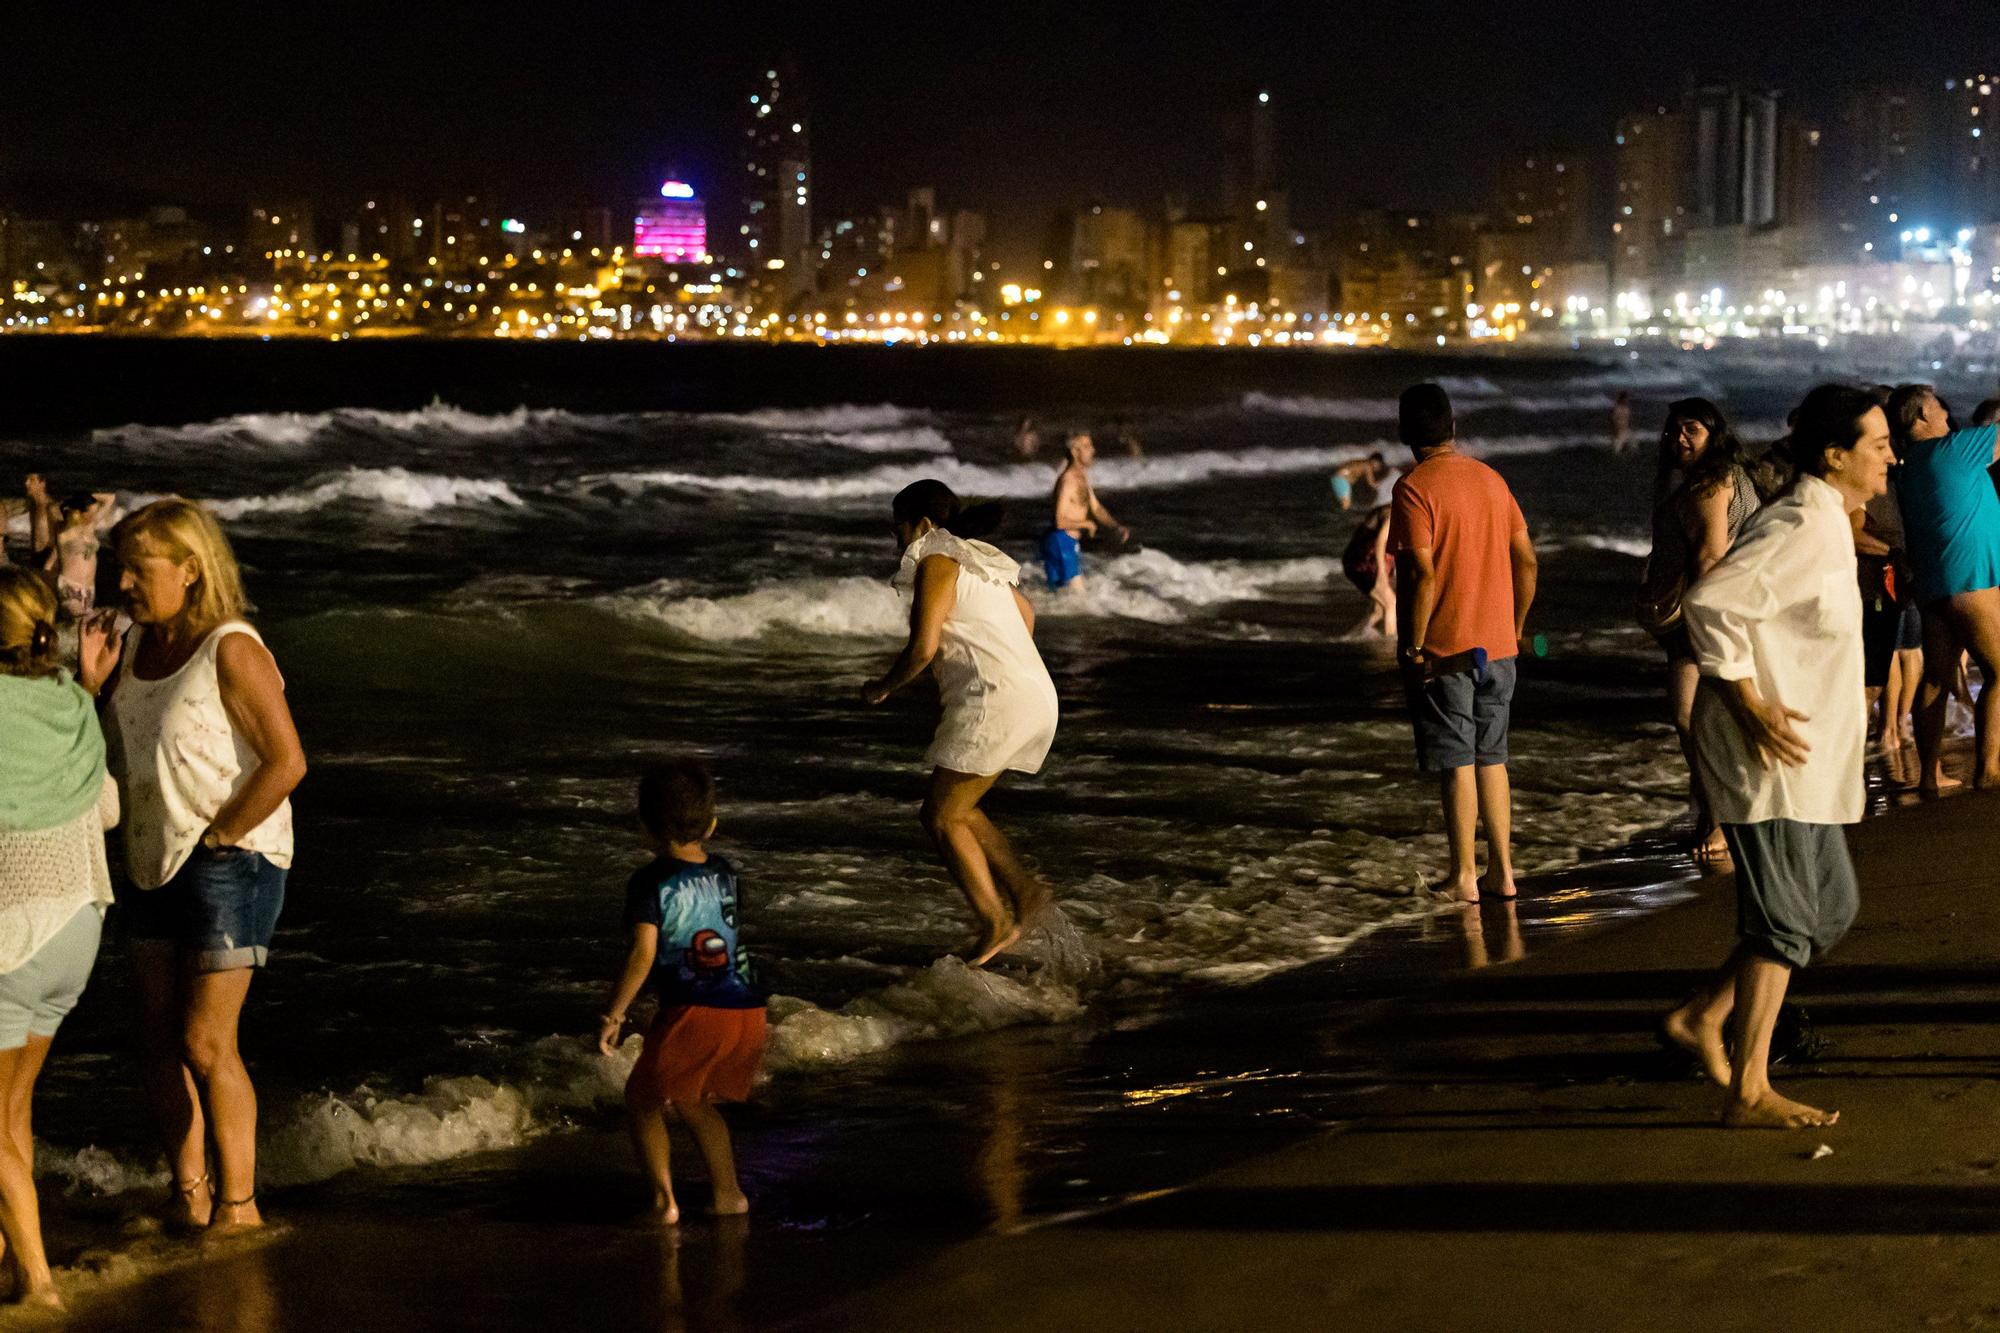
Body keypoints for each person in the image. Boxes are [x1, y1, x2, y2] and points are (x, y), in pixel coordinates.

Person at [1662, 384, 1891, 1129]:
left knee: (1830, 910)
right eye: (1878, 443)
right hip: (1765, 757)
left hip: (1807, 756)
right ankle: (1749, 1087)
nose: (1890, 455)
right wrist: (1748, 703)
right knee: (1786, 918)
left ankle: (1704, 1014)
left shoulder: (1829, 523)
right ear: (1836, 455)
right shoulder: (1800, 522)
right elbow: (1711, 602)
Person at [83, 498, 307, 1230]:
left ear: (191, 568)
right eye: (121, 567)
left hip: (229, 857)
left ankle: (239, 1206)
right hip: (149, 855)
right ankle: (190, 1192)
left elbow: (287, 760)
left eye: (138, 569)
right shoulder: (135, 643)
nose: (124, 583)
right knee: (153, 1037)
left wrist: (221, 836)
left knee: (206, 1041)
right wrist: (89, 690)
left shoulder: (232, 646)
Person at [863, 481, 1059, 964]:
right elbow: (1027, 615)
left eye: (898, 528)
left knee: (939, 815)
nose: (896, 539)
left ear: (923, 526)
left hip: (996, 701)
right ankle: (1025, 891)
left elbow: (923, 647)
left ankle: (996, 919)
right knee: (961, 807)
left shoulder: (937, 560)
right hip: (1035, 694)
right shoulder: (980, 560)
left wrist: (883, 686)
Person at [0, 569, 118, 1308]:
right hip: (79, 924)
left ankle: (41, 1287)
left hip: (13, 934)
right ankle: (8, 1263)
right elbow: (104, 807)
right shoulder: (72, 699)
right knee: (14, 1113)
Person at [1388, 384, 1538, 902]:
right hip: (1500, 648)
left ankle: (1463, 877)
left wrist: (1413, 645)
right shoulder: (1492, 479)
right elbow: (1528, 561)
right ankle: (1504, 872)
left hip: (1447, 651)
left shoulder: (1413, 488)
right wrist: (1515, 626)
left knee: (1457, 763)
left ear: (1405, 432)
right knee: (1492, 758)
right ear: (1453, 428)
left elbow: (1421, 575)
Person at [596, 761, 763, 1225]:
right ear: (711, 824)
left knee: (642, 1099)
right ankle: (729, 1195)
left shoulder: (650, 882)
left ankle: (663, 1202)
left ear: (644, 825)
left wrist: (614, 1015)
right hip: (744, 1005)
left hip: (696, 1008)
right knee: (692, 1101)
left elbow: (642, 954)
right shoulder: (726, 871)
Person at [1637, 399, 1761, 864]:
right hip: (1724, 612)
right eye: (1673, 430)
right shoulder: (1726, 475)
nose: (1679, 438)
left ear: (1714, 434)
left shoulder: (1710, 483)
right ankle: (1721, 813)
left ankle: (1720, 819)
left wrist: (1709, 621)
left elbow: (1710, 556)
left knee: (1693, 720)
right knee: (1716, 719)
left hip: (1703, 618)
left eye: (1691, 429)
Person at [1887, 383, 2000, 791]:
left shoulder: (1906, 466)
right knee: (1999, 671)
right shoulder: (1953, 449)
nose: (1948, 416)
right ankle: (1988, 770)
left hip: (1931, 584)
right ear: (1920, 416)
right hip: (1970, 579)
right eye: (1938, 408)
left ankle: (1927, 778)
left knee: (1935, 678)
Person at [1041, 433, 1128, 590]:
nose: (1093, 450)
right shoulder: (1068, 482)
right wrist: (1087, 524)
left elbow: (1096, 507)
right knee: (1080, 599)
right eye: (1087, 447)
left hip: (1067, 542)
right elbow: (1060, 521)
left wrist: (1115, 527)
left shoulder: (1081, 477)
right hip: (1061, 541)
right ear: (1075, 452)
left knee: (1059, 595)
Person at [39, 491, 119, 620]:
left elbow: (110, 498)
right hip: (69, 587)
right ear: (79, 513)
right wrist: (73, 501)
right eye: (91, 512)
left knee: (82, 626)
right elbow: (51, 508)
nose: (94, 515)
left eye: (95, 512)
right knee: (83, 618)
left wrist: (87, 496)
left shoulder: (90, 526)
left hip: (89, 590)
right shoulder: (63, 531)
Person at [1341, 502, 1397, 640]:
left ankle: (1349, 638)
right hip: (1362, 563)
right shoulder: (1394, 514)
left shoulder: (1396, 511)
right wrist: (1382, 574)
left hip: (1363, 561)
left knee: (1378, 611)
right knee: (1391, 603)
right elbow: (1380, 542)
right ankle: (1390, 647)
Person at [1330, 453, 1394, 512]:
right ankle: (1335, 519)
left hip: (1337, 477)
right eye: (1378, 464)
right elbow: (1372, 484)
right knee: (1346, 505)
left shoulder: (1362, 462)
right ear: (1374, 461)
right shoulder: (1367, 466)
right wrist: (1387, 477)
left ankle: (1334, 512)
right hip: (1341, 479)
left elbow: (1347, 468)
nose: (1378, 467)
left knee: (1343, 503)